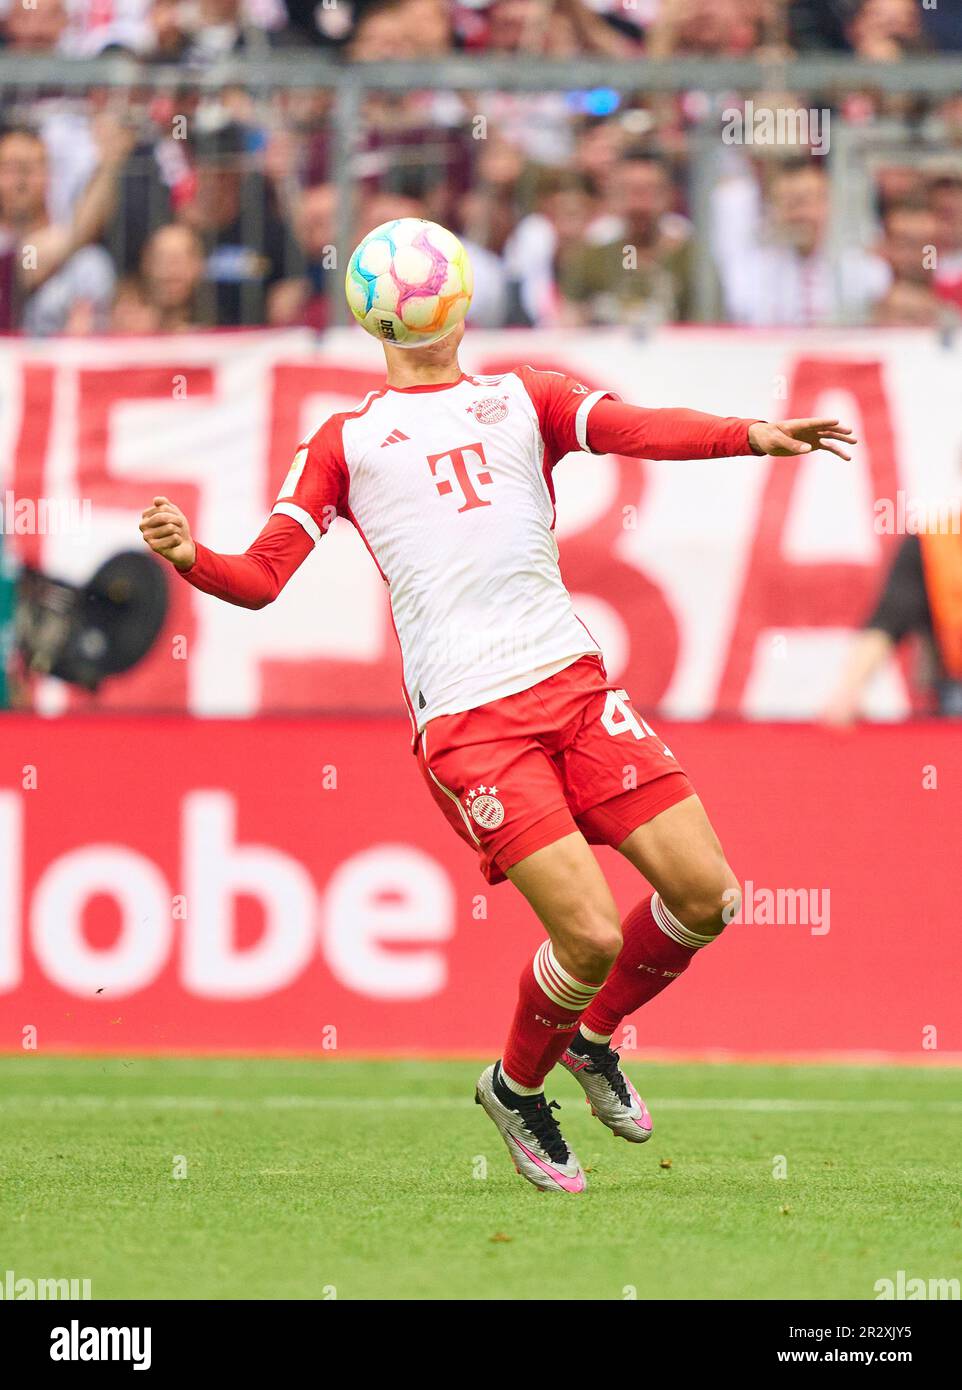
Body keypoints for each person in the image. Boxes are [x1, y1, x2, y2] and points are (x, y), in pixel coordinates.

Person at [140, 224, 856, 1194]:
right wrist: (191, 559)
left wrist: (749, 434)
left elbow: (635, 428)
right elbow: (264, 576)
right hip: (471, 722)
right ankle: (514, 1087)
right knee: (590, 935)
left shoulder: (524, 396)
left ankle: (591, 1039)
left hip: (572, 685)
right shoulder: (347, 442)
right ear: (394, 313)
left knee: (706, 896)